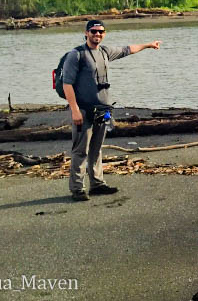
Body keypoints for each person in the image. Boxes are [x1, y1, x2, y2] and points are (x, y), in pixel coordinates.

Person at [61, 19, 161, 201]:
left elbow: (127, 49)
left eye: (100, 32)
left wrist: (148, 45)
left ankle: (97, 184)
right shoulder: (76, 55)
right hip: (83, 110)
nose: (97, 34)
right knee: (80, 150)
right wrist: (74, 110)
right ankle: (77, 188)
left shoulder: (105, 52)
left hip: (103, 109)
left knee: (97, 148)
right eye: (93, 31)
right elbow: (66, 84)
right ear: (86, 33)